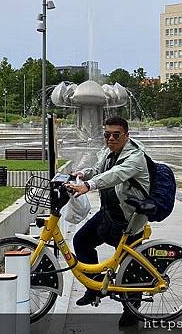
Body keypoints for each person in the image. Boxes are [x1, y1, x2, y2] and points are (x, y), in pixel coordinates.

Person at [66, 116, 150, 327]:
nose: (110, 138)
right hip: (109, 214)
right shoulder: (109, 152)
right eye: (107, 134)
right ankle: (94, 288)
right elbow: (99, 169)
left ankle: (132, 310)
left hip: (129, 220)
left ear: (126, 135)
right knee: (82, 240)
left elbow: (115, 175)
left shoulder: (135, 157)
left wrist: (90, 185)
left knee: (128, 267)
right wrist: (83, 174)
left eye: (116, 135)